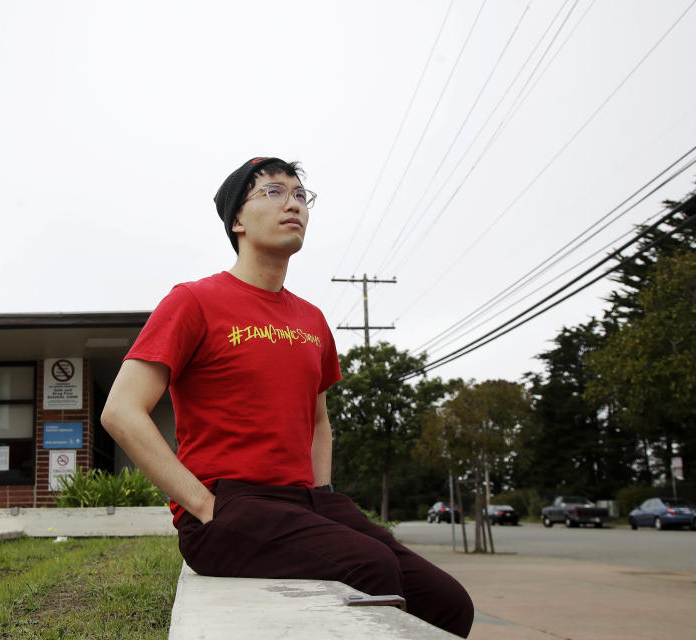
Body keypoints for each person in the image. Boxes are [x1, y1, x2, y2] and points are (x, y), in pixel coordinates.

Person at [100, 157, 474, 637]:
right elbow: (121, 412)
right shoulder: (193, 301)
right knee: (372, 569)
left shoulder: (311, 319)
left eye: (300, 195)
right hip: (227, 504)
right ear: (237, 220)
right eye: (274, 192)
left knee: (447, 603)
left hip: (306, 501)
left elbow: (318, 421)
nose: (293, 203)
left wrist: (322, 493)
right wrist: (201, 504)